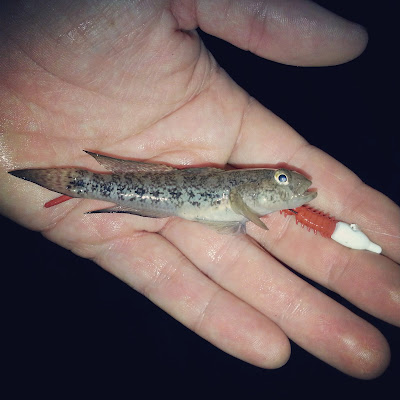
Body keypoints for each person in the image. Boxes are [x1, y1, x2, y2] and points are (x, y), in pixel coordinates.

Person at [0, 0, 399, 380]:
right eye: (280, 179)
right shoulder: (243, 197)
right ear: (255, 185)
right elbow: (236, 214)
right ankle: (78, 184)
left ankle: (80, 186)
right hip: (163, 192)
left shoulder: (248, 199)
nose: (290, 184)